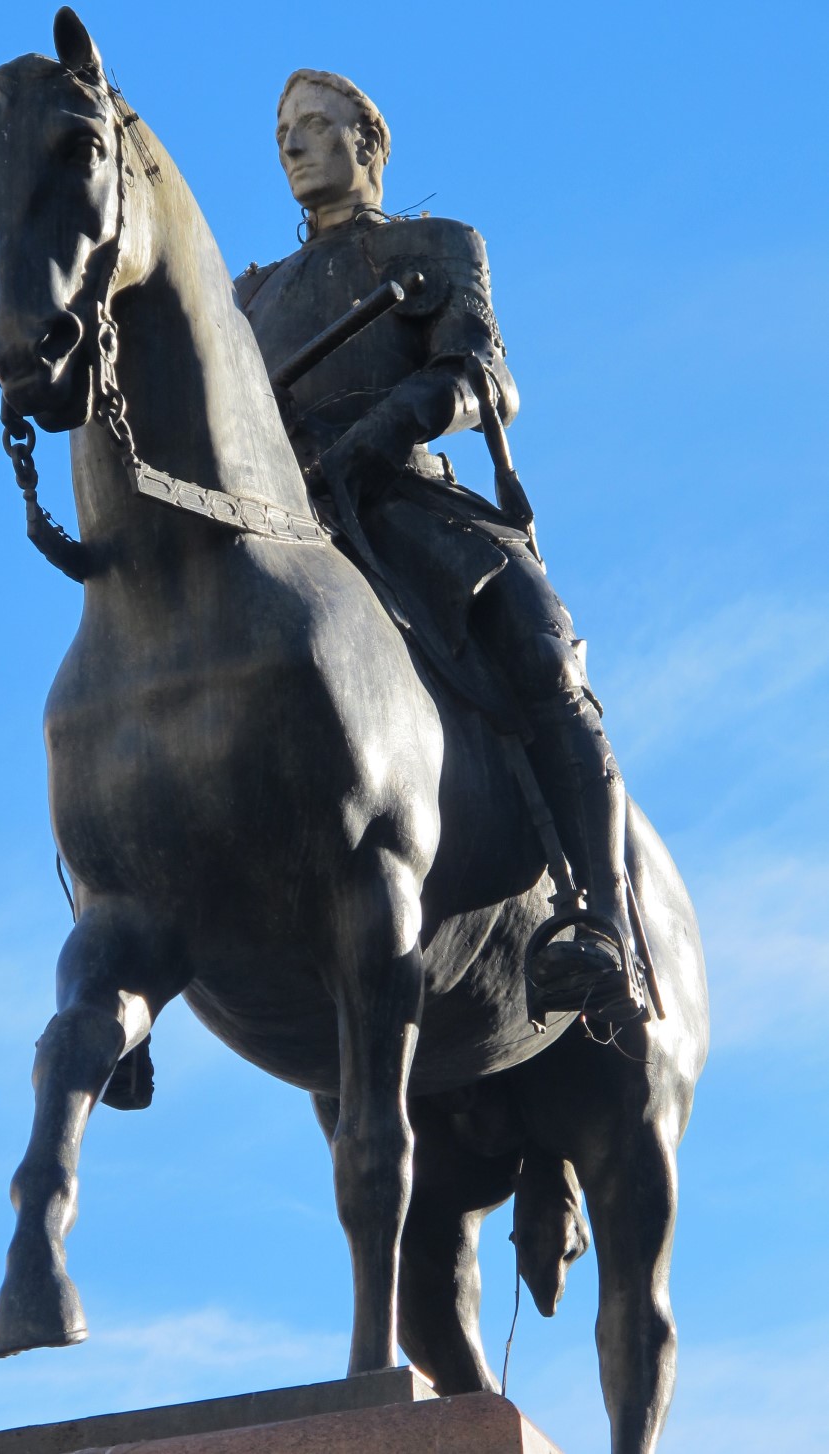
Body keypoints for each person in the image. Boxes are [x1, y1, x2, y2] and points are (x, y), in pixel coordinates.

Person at [235, 69, 646, 1022]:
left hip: (409, 506)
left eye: (315, 127)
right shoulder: (250, 296)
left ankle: (604, 924)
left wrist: (381, 430)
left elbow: (483, 373)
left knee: (542, 653)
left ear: (367, 145)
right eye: (283, 132)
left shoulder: (439, 245)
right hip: (291, 517)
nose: (293, 146)